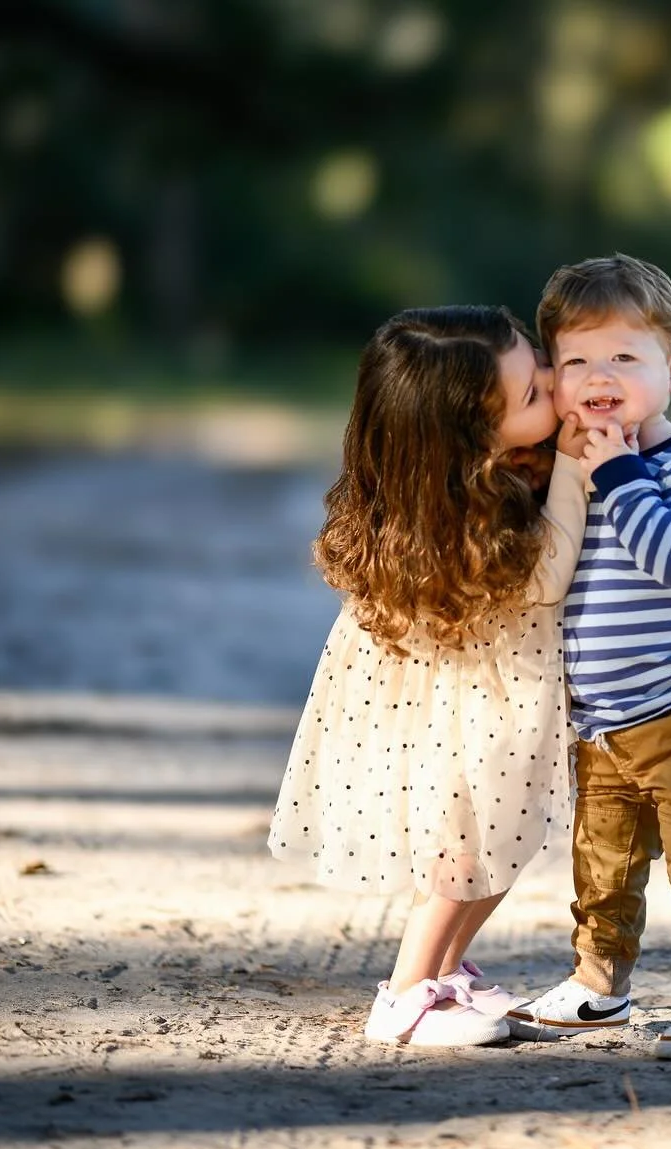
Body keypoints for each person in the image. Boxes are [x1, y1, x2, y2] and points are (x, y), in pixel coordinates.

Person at [268, 305, 588, 1048]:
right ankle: (407, 993)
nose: (552, 387)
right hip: (462, 707)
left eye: (538, 367)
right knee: (470, 851)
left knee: (506, 839)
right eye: (534, 394)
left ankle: (444, 971)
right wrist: (574, 466)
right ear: (472, 439)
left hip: (480, 693)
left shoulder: (462, 475)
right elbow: (547, 579)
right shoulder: (462, 510)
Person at [505, 254, 671, 1062]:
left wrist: (619, 472)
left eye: (623, 356)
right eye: (576, 359)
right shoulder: (571, 470)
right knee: (602, 867)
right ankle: (598, 985)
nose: (598, 376)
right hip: (605, 726)